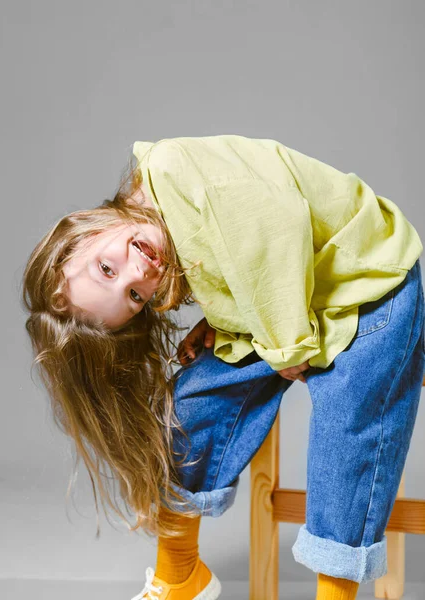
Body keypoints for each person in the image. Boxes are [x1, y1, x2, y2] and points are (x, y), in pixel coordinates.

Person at [21, 134, 425, 600]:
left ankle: (335, 594)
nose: (138, 274)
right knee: (191, 401)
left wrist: (286, 349)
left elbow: (277, 228)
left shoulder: (173, 173)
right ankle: (181, 575)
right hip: (293, 301)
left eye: (106, 269)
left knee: (348, 424)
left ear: (83, 231)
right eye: (135, 298)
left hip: (370, 282)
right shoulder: (162, 236)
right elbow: (239, 260)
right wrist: (223, 318)